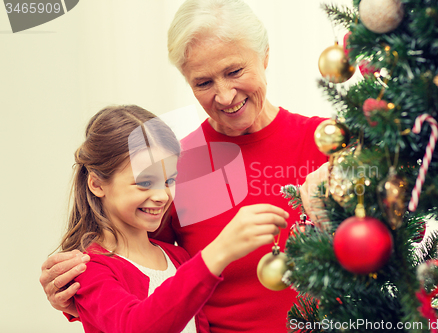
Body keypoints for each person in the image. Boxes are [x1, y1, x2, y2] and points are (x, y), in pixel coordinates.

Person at [40, 1, 329, 332]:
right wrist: (73, 294)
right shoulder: (174, 167)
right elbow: (142, 271)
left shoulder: (330, 145)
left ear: (264, 56)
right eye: (203, 82)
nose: (224, 95)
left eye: (235, 71)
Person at [57, 104, 289, 333]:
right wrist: (219, 251)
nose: (162, 195)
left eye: (169, 181)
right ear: (97, 185)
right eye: (145, 182)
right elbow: (135, 326)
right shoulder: (89, 269)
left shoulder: (177, 257)